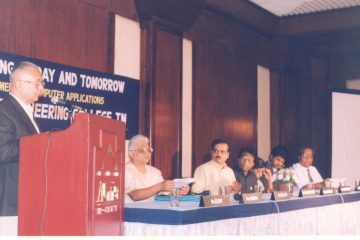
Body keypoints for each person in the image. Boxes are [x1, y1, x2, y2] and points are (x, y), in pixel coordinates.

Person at [0, 61, 44, 216]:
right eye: (37, 84)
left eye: (42, 83)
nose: (42, 89)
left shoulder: (25, 110)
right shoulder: (4, 110)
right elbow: (3, 151)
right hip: (11, 199)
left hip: (28, 194)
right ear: (18, 84)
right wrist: (40, 144)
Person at [125, 134, 189, 203]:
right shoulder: (125, 171)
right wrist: (160, 186)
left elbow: (165, 194)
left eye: (149, 150)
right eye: (141, 150)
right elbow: (135, 196)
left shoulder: (155, 171)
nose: (146, 153)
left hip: (153, 210)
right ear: (131, 153)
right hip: (132, 211)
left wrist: (180, 191)